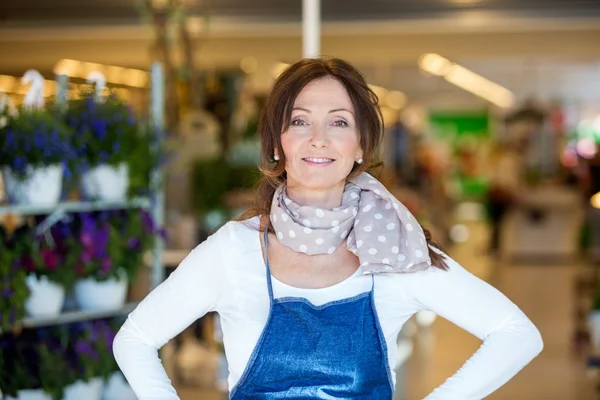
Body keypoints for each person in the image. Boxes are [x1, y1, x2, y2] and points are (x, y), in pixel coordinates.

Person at [113, 57, 543, 399]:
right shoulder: (233, 250)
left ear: (359, 146)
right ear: (277, 142)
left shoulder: (394, 249)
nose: (318, 138)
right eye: (300, 121)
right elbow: (134, 339)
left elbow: (516, 334)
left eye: (339, 122)